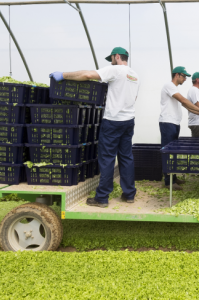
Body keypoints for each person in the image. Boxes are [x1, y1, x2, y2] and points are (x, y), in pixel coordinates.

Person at [50, 47, 139, 208]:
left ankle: (102, 197)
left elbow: (88, 75)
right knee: (126, 157)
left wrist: (63, 75)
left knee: (107, 158)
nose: (110, 61)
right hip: (128, 120)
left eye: (111, 58)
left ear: (117, 56)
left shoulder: (116, 70)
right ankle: (129, 194)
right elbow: (134, 97)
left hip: (113, 121)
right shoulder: (134, 75)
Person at [160, 66, 199, 190]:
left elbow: (186, 105)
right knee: (168, 152)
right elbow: (183, 100)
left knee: (172, 152)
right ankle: (168, 182)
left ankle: (173, 178)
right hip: (167, 122)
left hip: (174, 123)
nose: (185, 79)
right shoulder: (169, 86)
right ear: (177, 75)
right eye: (184, 76)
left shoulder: (174, 89)